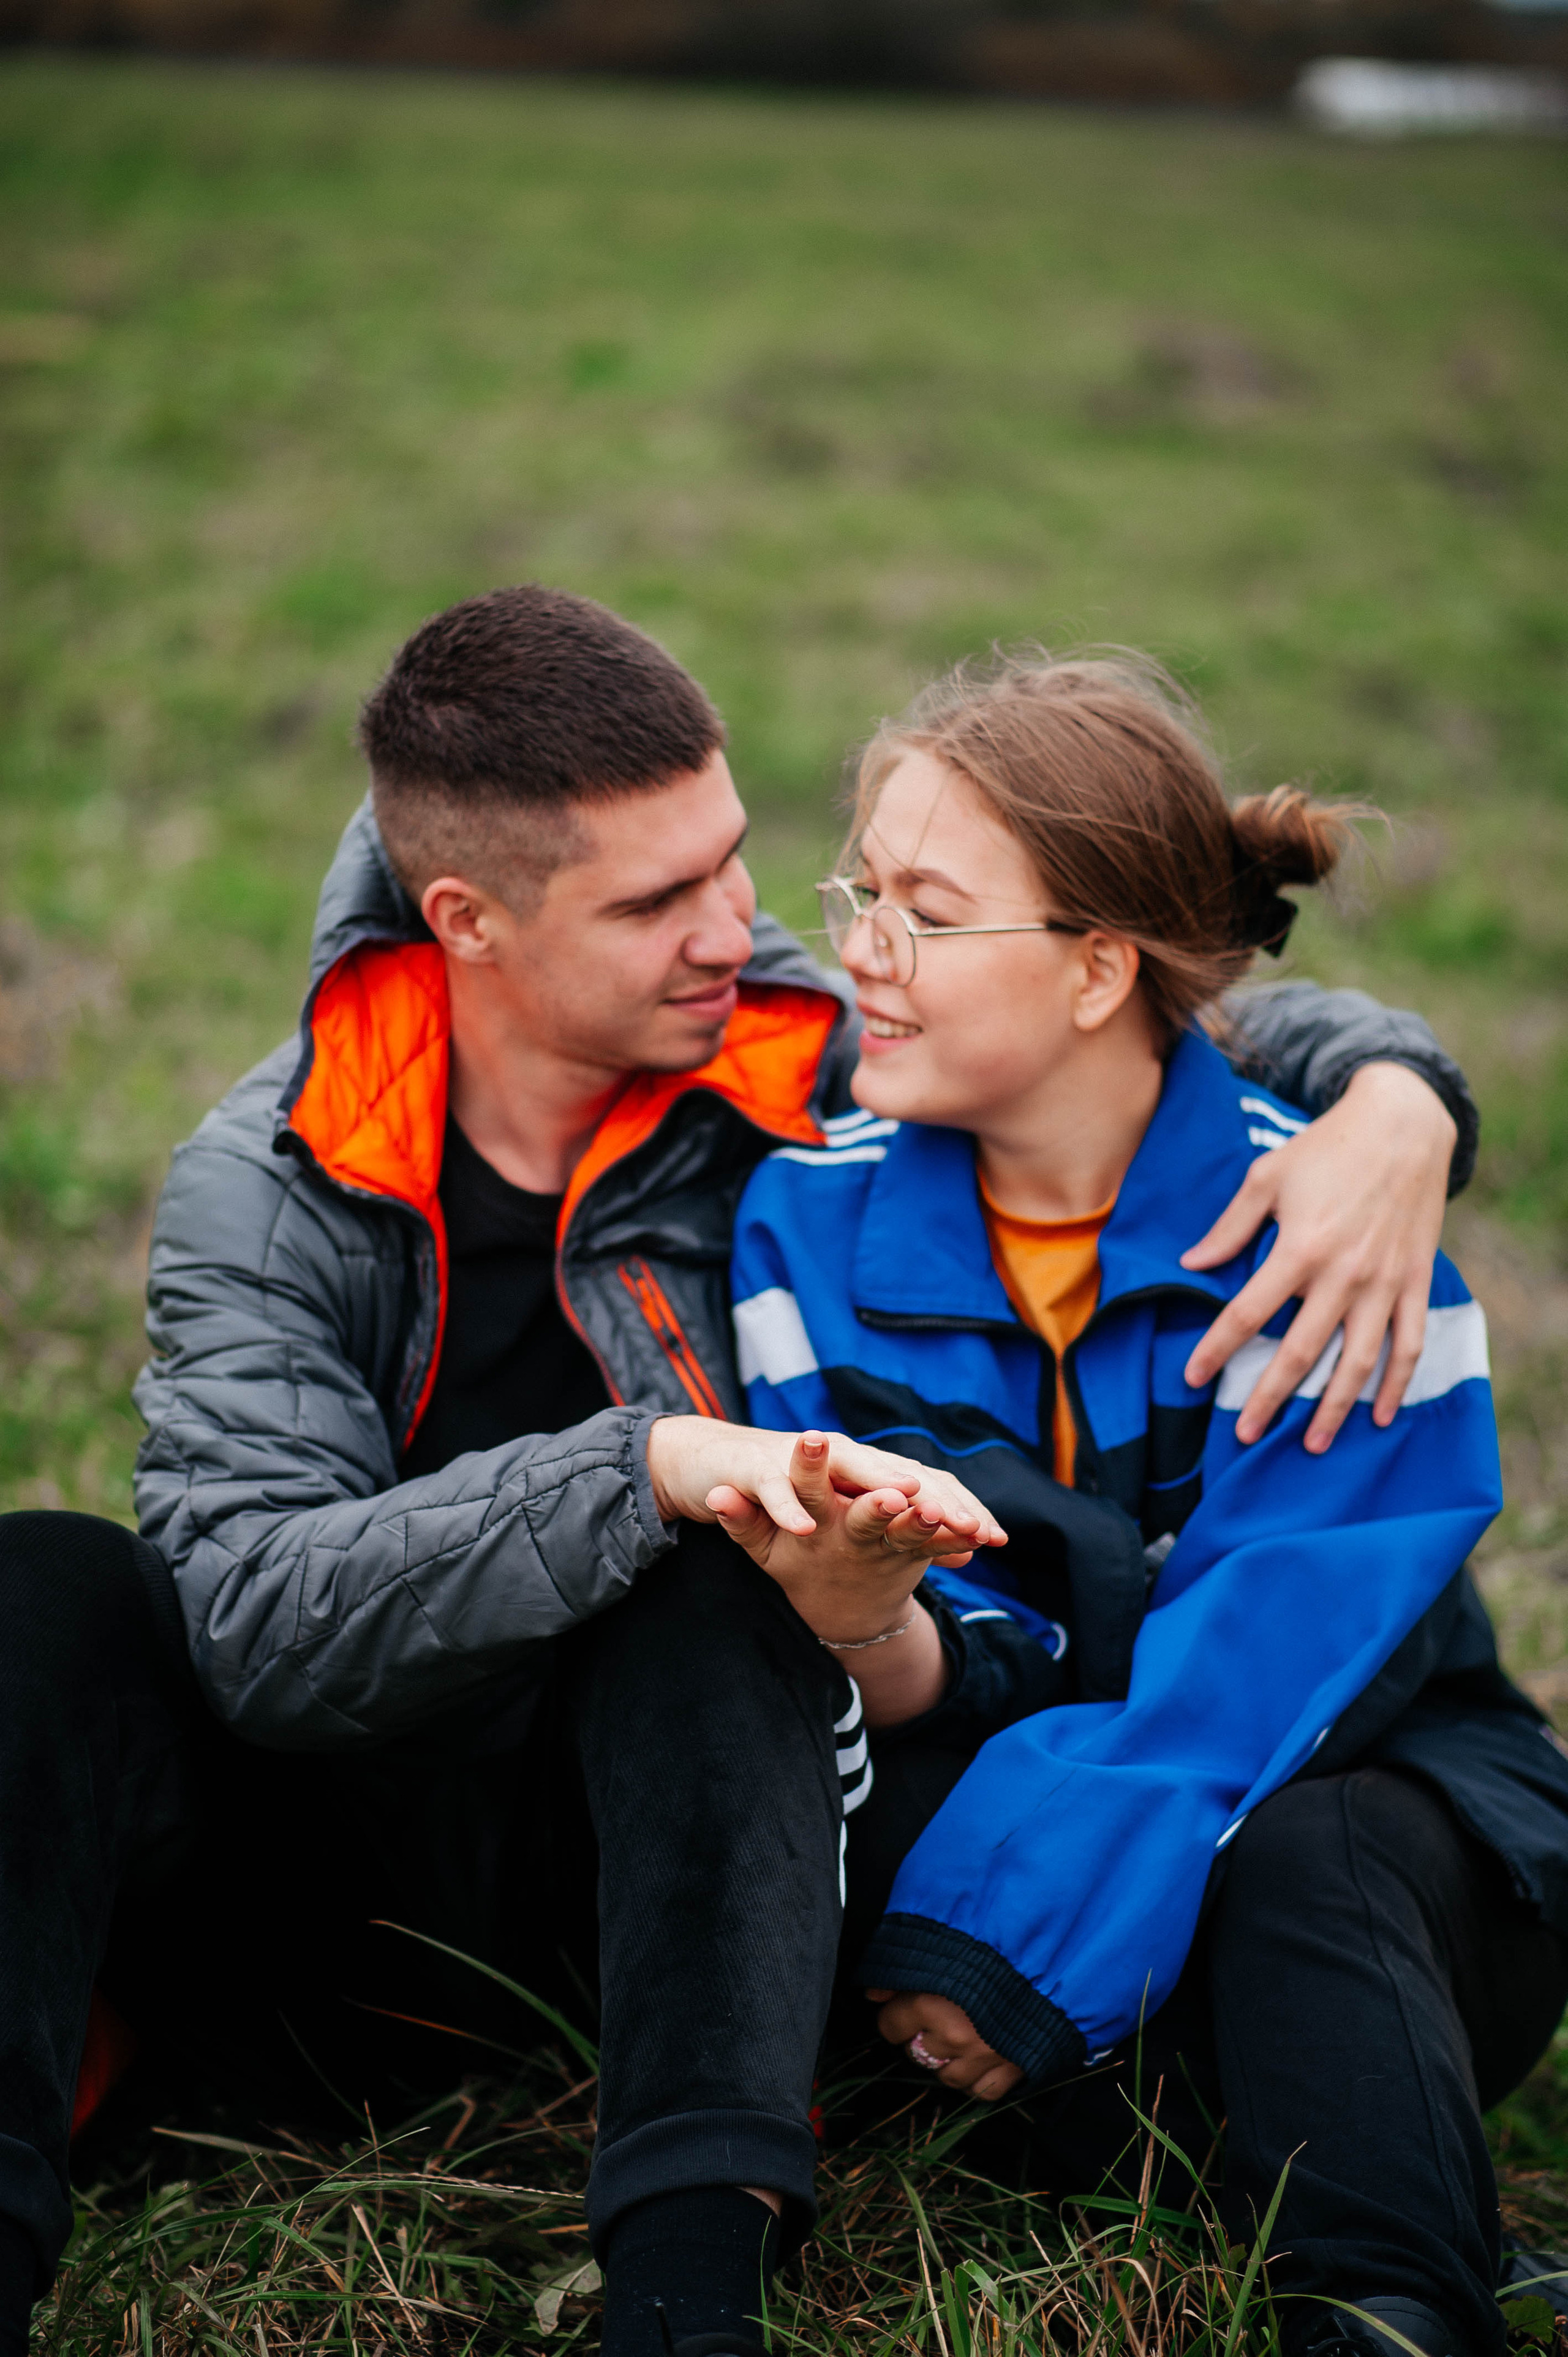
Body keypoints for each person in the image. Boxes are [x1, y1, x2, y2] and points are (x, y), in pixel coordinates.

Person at [0, 591, 1476, 2357]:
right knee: (46, 1588)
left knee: (714, 1579)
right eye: (655, 903)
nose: (741, 934)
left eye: (734, 862)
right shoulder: (275, 1178)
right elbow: (256, 1632)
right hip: (328, 1873)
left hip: (678, 1845)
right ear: (469, 920)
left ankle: (694, 2295)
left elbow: (1118, 1012)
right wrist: (642, 1464)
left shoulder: (774, 1033)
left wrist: (1397, 1097)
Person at [721, 651, 1568, 2357]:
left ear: (1100, 967)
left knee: (1312, 1851)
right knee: (861, 1806)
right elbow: (917, 1632)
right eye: (861, 894)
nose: (860, 953)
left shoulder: (1339, 1226)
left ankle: (1391, 2301)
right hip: (993, 1806)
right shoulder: (800, 1222)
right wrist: (880, 1615)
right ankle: (1192, 2120)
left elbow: (1290, 1647)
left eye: (925, 914)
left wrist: (1032, 1906)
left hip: (1357, 1831)